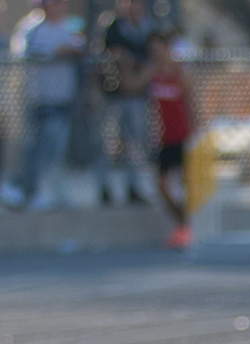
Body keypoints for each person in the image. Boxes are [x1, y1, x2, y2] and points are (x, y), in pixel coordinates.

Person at [0, 0, 86, 212]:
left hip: (63, 97)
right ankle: (32, 191)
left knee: (57, 149)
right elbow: (22, 55)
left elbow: (81, 50)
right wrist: (55, 53)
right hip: (38, 98)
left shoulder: (70, 28)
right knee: (39, 148)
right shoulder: (31, 29)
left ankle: (53, 192)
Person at [99, 0, 156, 205]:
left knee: (135, 143)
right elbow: (108, 55)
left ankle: (133, 188)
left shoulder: (148, 27)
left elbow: (151, 55)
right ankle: (105, 189)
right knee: (109, 143)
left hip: (137, 95)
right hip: (114, 94)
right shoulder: (113, 26)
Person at [144, 30, 193, 249]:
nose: (156, 52)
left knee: (187, 184)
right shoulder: (152, 72)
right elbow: (132, 85)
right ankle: (182, 223)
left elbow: (192, 103)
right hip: (163, 137)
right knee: (162, 186)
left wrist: (196, 131)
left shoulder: (180, 72)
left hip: (182, 135)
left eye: (159, 47)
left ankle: (189, 227)